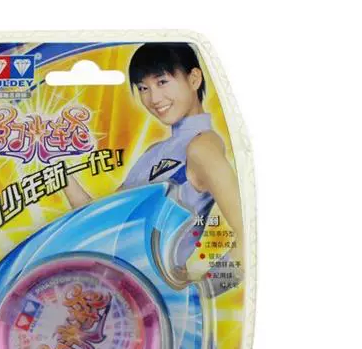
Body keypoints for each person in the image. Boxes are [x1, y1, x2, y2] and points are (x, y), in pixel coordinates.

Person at [64, 42, 243, 285]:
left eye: (162, 82)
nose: (154, 98)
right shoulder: (153, 153)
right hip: (112, 287)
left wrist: (200, 292)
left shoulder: (202, 147)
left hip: (153, 295)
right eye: (143, 88)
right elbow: (101, 224)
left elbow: (246, 233)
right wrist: (59, 173)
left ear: (194, 79)